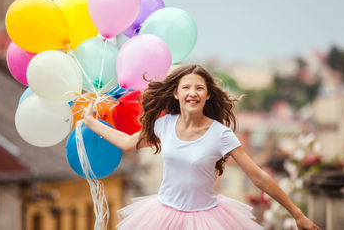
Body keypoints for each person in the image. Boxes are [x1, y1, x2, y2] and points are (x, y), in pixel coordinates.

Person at [83, 64, 321, 230]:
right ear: (176, 93)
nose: (192, 93)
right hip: (163, 217)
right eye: (186, 88)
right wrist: (91, 122)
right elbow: (128, 142)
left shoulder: (221, 134)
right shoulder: (163, 124)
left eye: (199, 88)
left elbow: (258, 176)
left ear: (208, 96)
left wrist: (297, 215)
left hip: (208, 219)